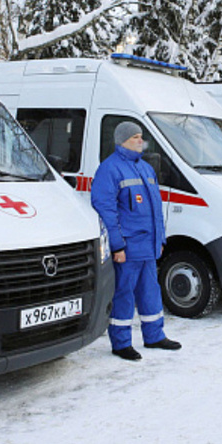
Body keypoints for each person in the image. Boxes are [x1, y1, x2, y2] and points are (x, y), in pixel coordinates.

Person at [91, 121, 181, 361]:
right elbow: (106, 211)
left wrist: (160, 239)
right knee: (124, 295)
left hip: (149, 247)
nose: (141, 141)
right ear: (122, 140)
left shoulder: (146, 169)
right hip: (128, 249)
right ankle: (121, 343)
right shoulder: (109, 169)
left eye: (141, 137)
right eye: (135, 137)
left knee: (151, 293)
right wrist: (117, 245)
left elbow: (155, 210)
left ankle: (154, 336)